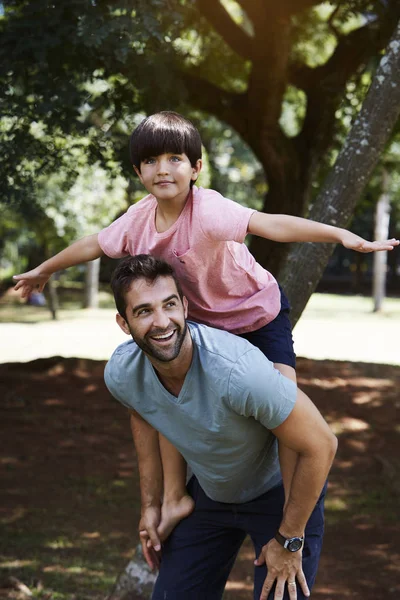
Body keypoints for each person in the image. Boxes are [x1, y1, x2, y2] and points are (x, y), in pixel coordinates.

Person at [12, 111, 398, 543]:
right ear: (138, 171)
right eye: (152, 160)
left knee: (283, 399)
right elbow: (92, 245)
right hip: (206, 325)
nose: (163, 169)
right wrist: (43, 270)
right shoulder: (137, 220)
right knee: (171, 393)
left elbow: (270, 224)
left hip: (255, 314)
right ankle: (175, 497)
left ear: (195, 168)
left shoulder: (209, 209)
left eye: (175, 158)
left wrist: (340, 235)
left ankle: (291, 522)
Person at [105, 254, 337, 600]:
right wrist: (153, 504)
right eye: (143, 311)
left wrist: (290, 538)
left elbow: (321, 444)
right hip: (211, 495)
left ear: (185, 305)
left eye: (169, 305)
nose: (161, 322)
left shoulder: (236, 370)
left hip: (281, 496)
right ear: (123, 323)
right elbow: (144, 412)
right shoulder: (123, 373)